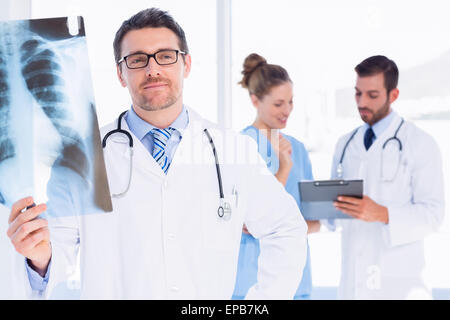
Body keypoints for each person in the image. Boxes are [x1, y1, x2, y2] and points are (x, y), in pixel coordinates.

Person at [6, 8, 308, 299]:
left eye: (165, 56)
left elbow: (286, 229)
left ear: (186, 64)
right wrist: (38, 256)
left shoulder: (233, 150)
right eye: (137, 60)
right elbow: (57, 254)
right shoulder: (82, 158)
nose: (153, 69)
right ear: (121, 73)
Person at [330, 55, 445, 299]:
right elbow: (335, 217)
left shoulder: (420, 144)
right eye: (357, 93)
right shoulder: (344, 145)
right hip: (353, 285)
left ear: (393, 95)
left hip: (401, 287)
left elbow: (434, 215)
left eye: (372, 95)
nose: (362, 102)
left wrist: (382, 214)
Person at [232, 53, 320, 300]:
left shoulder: (298, 149)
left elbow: (312, 221)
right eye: (278, 104)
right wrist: (283, 169)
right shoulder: (239, 147)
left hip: (297, 282)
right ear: (255, 100)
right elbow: (251, 220)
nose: (287, 111)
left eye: (290, 102)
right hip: (250, 280)